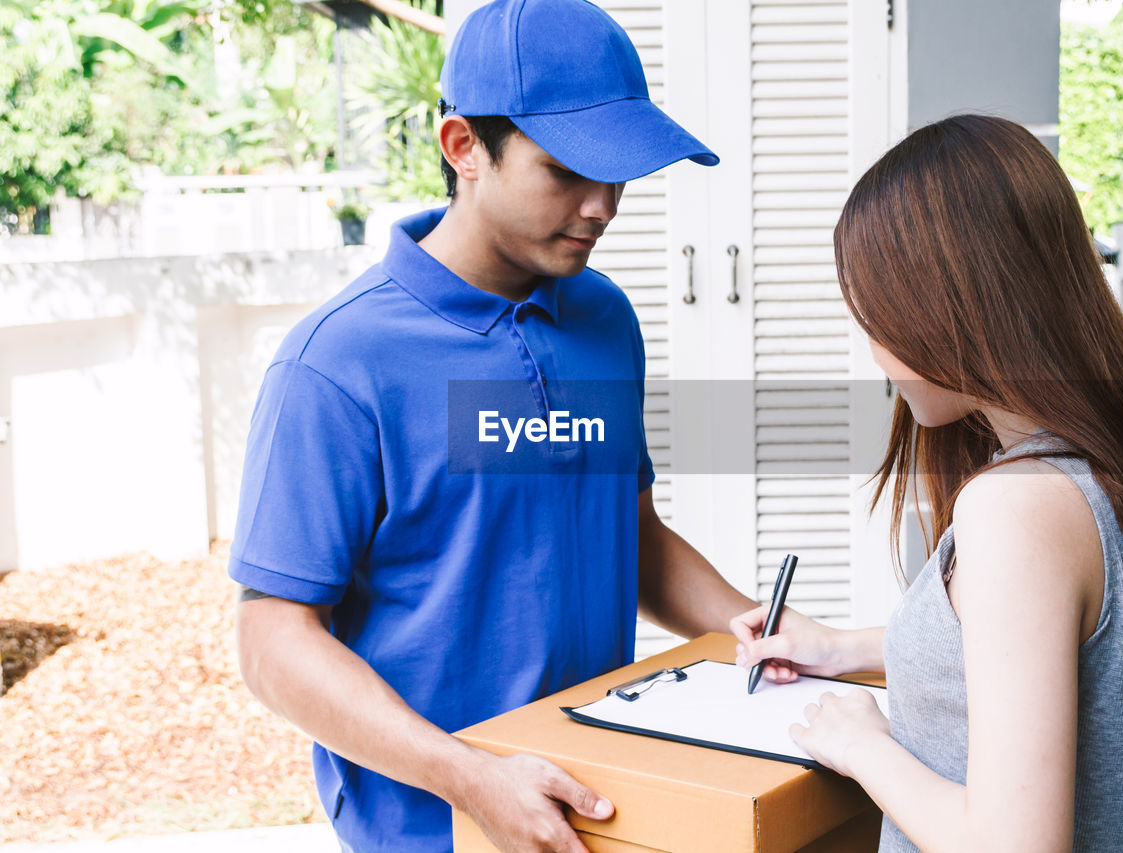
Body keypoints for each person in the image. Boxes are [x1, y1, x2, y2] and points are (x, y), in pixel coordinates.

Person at [229, 1, 756, 850]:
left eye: (618, 175)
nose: (602, 207)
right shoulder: (335, 363)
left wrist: (752, 629)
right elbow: (272, 639)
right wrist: (469, 778)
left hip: (599, 809)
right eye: (566, 171)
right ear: (464, 147)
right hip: (429, 827)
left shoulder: (604, 319)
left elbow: (633, 532)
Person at [733, 114, 1123, 852]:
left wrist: (863, 744)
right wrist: (842, 647)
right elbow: (1047, 649)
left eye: (873, 314)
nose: (873, 347)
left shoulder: (1014, 508)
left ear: (946, 305)